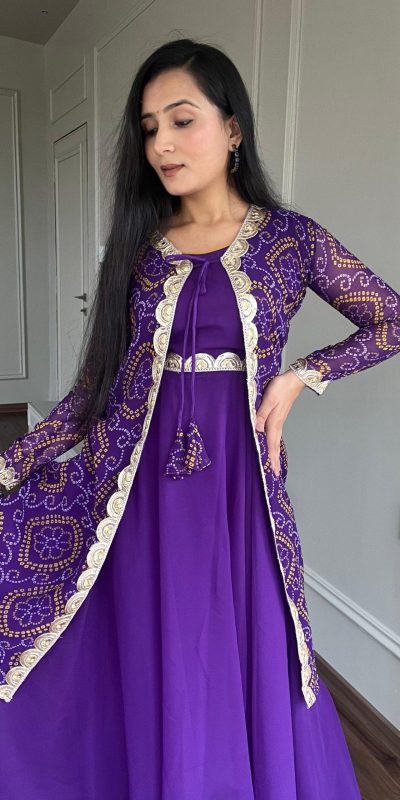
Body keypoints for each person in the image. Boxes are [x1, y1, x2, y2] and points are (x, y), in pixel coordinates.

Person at [0, 36, 398, 800]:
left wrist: (301, 377)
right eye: (150, 128)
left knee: (237, 642)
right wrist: (10, 464)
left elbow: (390, 319)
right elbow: (90, 392)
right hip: (137, 486)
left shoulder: (292, 240)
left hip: (242, 485)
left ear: (233, 128)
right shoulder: (137, 249)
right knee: (143, 644)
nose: (162, 144)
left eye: (182, 120)